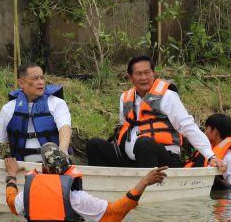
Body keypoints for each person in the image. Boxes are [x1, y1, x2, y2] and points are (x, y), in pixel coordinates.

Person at [86, 55, 220, 169]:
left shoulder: (168, 96)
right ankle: (102, 186)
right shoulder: (124, 98)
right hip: (132, 161)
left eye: (147, 72)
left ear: (154, 74)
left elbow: (188, 126)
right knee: (94, 144)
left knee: (143, 143)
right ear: (130, 77)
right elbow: (124, 127)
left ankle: (147, 187)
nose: (144, 77)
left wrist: (210, 156)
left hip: (164, 161)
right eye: (138, 74)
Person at [4, 143, 167, 222]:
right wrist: (143, 183)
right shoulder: (74, 197)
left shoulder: (27, 194)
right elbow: (114, 214)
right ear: (67, 168)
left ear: (44, 169)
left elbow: (12, 204)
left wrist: (11, 176)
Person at [0, 62, 72, 162]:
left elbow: (64, 127)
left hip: (54, 166)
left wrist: (62, 152)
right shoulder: (9, 108)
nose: (41, 82)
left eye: (42, 78)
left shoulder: (57, 103)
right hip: (21, 168)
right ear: (21, 83)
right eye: (35, 78)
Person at [185, 113, 231, 190]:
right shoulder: (207, 153)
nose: (205, 133)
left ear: (215, 132)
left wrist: (214, 180)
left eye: (207, 129)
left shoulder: (230, 159)